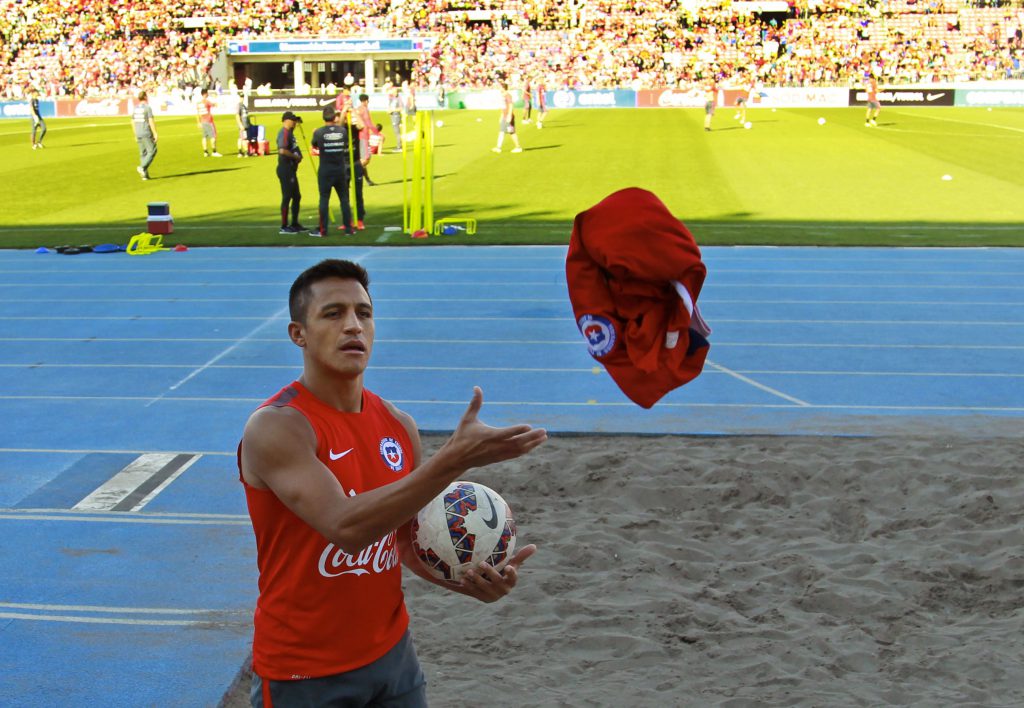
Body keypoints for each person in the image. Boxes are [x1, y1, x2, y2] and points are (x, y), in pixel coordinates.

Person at [238, 258, 546, 707]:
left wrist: (465, 581)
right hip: (303, 671)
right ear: (297, 334)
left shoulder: (399, 426)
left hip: (392, 659)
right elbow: (346, 528)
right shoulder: (277, 427)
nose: (353, 326)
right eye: (333, 313)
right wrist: (452, 461)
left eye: (363, 313)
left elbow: (401, 542)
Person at [310, 106, 356, 237]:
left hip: (325, 170)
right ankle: (349, 229)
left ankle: (323, 230)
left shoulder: (319, 132)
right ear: (334, 117)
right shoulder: (342, 131)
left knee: (324, 199)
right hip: (340, 169)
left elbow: (314, 145)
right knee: (344, 200)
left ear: (323, 117)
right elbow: (346, 144)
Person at [276, 111, 305, 234]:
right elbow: (282, 150)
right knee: (287, 196)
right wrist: (295, 157)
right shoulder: (284, 133)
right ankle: (284, 226)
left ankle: (294, 223)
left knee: (297, 196)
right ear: (287, 120)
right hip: (285, 168)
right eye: (293, 120)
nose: (294, 123)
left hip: (290, 169)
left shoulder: (290, 133)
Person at [353, 94, 380, 192]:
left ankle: (368, 180)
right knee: (365, 159)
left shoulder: (357, 109)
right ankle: (349, 174)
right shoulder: (364, 109)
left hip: (357, 137)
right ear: (365, 101)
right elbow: (368, 123)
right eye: (368, 101)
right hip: (363, 137)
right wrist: (377, 132)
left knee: (362, 160)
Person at [131, 90, 158, 181]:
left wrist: (135, 133)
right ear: (145, 97)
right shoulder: (147, 108)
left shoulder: (135, 108)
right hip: (146, 132)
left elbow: (132, 121)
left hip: (138, 132)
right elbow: (150, 120)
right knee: (152, 150)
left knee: (143, 153)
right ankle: (142, 167)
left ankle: (144, 175)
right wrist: (155, 133)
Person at [492, 82, 522, 153]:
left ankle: (518, 147)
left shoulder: (508, 95)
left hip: (508, 117)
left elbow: (511, 105)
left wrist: (509, 115)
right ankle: (498, 147)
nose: (499, 89)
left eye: (500, 87)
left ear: (503, 88)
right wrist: (502, 116)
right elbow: (503, 107)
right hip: (504, 117)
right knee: (502, 132)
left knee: (511, 132)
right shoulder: (503, 95)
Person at [197, 87, 221, 157]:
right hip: (209, 121)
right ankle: (214, 151)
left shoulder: (199, 103)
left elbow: (198, 113)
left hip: (202, 121)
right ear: (205, 93)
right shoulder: (207, 102)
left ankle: (205, 152)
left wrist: (198, 122)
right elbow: (214, 105)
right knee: (213, 136)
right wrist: (216, 100)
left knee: (204, 137)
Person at [386, 82, 404, 152]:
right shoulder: (392, 98)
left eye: (394, 91)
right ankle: (399, 146)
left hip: (396, 116)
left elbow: (401, 108)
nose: (393, 93)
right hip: (393, 115)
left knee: (397, 132)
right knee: (396, 131)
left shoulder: (398, 98)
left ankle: (399, 147)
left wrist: (392, 110)